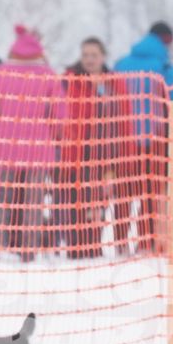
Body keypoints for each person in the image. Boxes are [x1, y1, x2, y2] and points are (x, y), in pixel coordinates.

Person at [0, 26, 62, 260]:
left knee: (0, 200)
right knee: (33, 202)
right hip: (39, 148)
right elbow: (62, 114)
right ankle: (28, 251)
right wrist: (49, 132)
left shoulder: (0, 73)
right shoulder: (48, 75)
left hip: (5, 145)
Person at [112, 25, 173, 255]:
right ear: (166, 41)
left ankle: (120, 241)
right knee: (151, 192)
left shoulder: (121, 64)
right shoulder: (163, 67)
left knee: (124, 191)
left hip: (124, 137)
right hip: (155, 137)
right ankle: (145, 242)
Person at [62, 37, 121, 258]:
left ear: (103, 57)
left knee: (98, 201)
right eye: (85, 54)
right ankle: (75, 247)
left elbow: (121, 114)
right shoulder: (70, 79)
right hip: (75, 150)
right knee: (74, 201)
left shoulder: (112, 82)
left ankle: (93, 244)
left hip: (104, 152)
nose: (89, 59)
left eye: (94, 55)